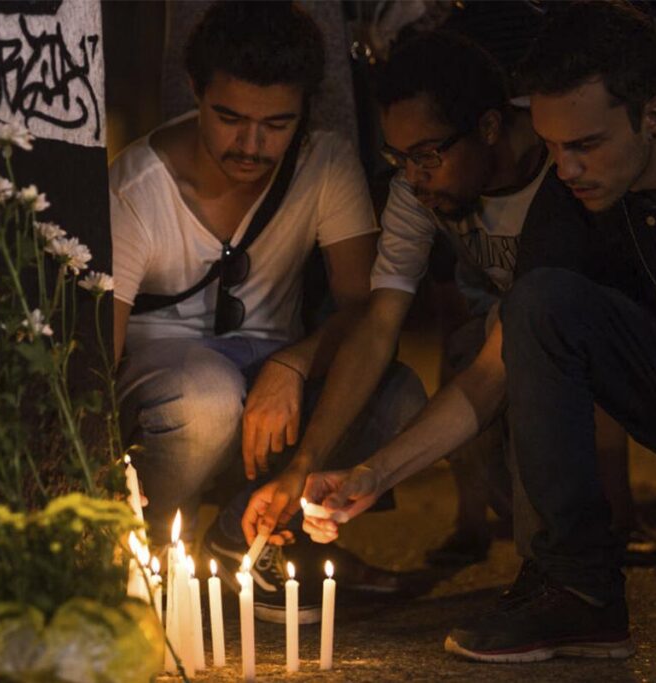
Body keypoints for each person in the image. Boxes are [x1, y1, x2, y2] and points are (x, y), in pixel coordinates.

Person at [299, 1, 656, 663]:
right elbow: (492, 368)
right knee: (538, 303)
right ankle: (579, 587)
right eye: (553, 147)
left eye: (585, 144)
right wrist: (370, 471)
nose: (564, 169)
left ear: (653, 116)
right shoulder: (572, 203)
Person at [110, 1, 425, 623]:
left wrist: (295, 363)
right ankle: (151, 549)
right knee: (206, 395)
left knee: (399, 399)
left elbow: (361, 310)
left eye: (276, 124)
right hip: (167, 386)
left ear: (305, 110)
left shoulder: (325, 162)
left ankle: (239, 539)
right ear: (195, 92)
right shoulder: (138, 187)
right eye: (229, 119)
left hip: (265, 376)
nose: (252, 145)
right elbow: (101, 353)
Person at [241, 29, 556, 562]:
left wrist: (379, 470)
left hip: (605, 337)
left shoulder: (562, 165)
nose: (413, 177)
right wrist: (307, 463)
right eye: (399, 158)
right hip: (513, 324)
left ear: (489, 127)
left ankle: (564, 579)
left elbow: (493, 372)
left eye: (428, 155)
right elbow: (379, 323)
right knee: (470, 356)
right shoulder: (419, 185)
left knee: (530, 373)